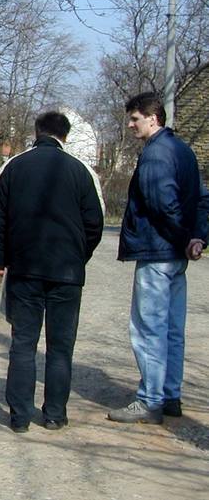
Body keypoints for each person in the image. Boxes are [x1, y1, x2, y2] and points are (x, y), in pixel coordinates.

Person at [0, 111, 105, 432]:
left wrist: (2, 259)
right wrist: (79, 256)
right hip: (67, 271)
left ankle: (20, 416)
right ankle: (54, 414)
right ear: (65, 136)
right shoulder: (80, 172)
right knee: (60, 346)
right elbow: (94, 222)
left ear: (36, 132)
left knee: (23, 343)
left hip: (25, 268)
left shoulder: (13, 167)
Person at [108, 92, 209, 424]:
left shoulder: (155, 155)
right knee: (172, 328)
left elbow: (162, 204)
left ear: (153, 118)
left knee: (148, 328)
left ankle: (150, 399)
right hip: (177, 255)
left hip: (157, 252)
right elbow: (201, 199)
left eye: (135, 118)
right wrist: (197, 238)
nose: (131, 124)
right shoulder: (183, 151)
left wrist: (185, 238)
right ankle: (170, 396)